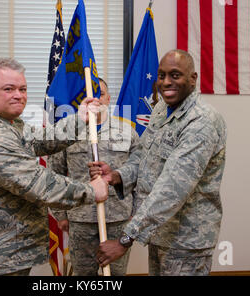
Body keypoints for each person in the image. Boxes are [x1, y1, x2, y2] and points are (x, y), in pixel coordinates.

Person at [0, 58, 108, 276]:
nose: (18, 95)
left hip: (3, 255)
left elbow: (37, 140)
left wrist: (80, 119)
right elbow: (40, 186)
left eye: (22, 89)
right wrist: (92, 191)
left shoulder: (6, 123)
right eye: (8, 89)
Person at [90, 49, 227, 276]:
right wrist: (117, 176)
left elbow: (172, 188)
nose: (165, 82)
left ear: (193, 79)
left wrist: (125, 239)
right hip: (161, 234)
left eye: (175, 75)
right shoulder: (162, 109)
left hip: (187, 243)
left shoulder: (201, 121)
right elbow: (144, 156)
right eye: (161, 75)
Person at [49, 79, 139, 276]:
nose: (96, 99)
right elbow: (53, 174)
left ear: (108, 99)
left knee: (115, 276)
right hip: (80, 219)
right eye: (91, 95)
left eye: (101, 94)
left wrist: (135, 213)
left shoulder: (127, 132)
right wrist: (61, 215)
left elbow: (139, 173)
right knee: (83, 276)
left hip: (118, 218)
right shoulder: (67, 131)